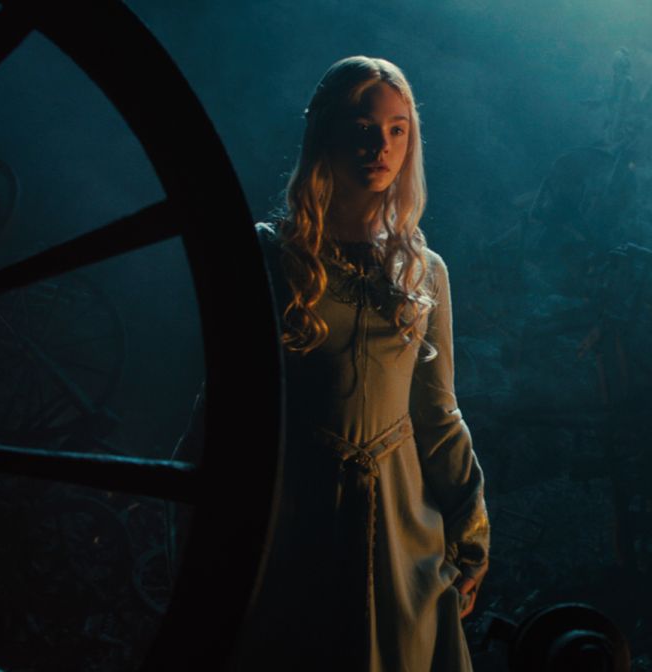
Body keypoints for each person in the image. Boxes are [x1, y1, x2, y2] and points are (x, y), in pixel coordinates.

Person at [181, 55, 490, 671]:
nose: (382, 146)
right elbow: (227, 400)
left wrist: (470, 527)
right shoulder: (271, 256)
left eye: (398, 129)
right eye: (364, 127)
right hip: (297, 512)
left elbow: (437, 413)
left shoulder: (425, 273)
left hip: (402, 527)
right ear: (327, 133)